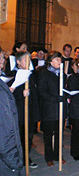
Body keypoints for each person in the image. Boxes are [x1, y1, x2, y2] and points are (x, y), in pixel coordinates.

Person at [7, 51, 39, 169]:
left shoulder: (30, 74)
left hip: (30, 111)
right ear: (19, 62)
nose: (28, 62)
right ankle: (19, 158)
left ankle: (26, 157)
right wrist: (21, 93)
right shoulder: (12, 75)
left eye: (29, 60)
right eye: (25, 60)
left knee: (29, 136)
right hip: (19, 112)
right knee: (19, 137)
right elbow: (9, 95)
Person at [38, 51, 68, 167]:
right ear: (50, 61)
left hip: (60, 109)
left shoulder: (63, 75)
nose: (59, 61)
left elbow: (65, 90)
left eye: (60, 59)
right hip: (49, 109)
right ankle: (49, 157)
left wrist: (66, 95)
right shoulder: (44, 74)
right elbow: (42, 91)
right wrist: (56, 98)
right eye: (56, 59)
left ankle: (58, 155)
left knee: (60, 134)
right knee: (48, 135)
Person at [0, 47, 26, 176]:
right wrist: (13, 159)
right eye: (1, 57)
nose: (3, 61)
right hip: (6, 153)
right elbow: (5, 126)